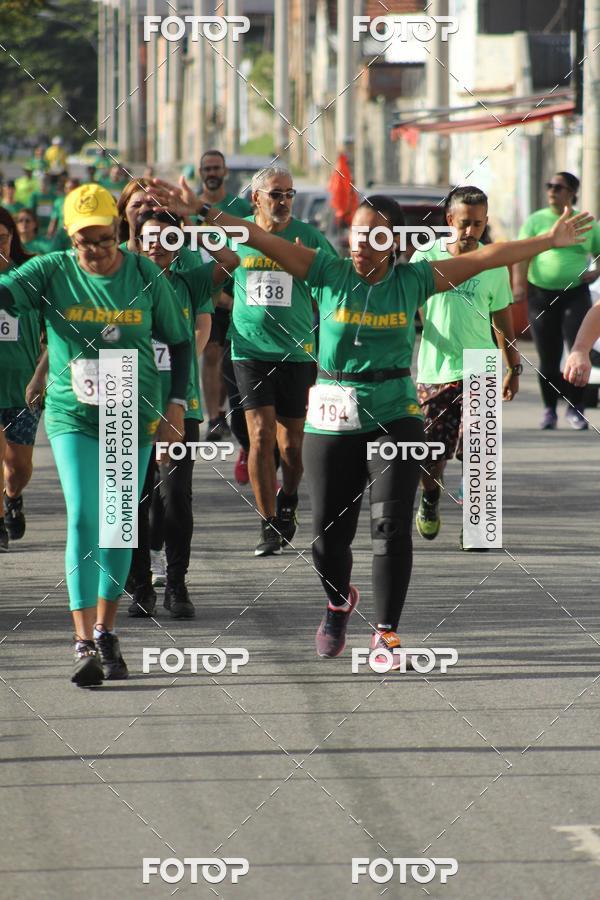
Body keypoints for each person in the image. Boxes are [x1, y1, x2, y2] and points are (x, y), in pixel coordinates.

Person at [156, 182, 591, 660]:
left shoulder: (415, 279)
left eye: (376, 236)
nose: (363, 243)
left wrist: (549, 241)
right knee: (328, 540)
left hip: (394, 413)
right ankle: (338, 602)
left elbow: (492, 256)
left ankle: (386, 632)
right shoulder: (326, 270)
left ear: (394, 243)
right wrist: (202, 210)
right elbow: (255, 236)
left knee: (390, 525)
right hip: (334, 410)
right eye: (357, 234)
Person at [0, 183, 191, 686]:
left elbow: (179, 341)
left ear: (117, 229)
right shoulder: (52, 270)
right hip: (73, 413)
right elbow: (6, 291)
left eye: (105, 238)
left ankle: (107, 629)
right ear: (70, 236)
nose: (97, 250)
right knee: (85, 516)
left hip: (130, 408)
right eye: (85, 241)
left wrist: (176, 404)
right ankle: (83, 639)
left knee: (118, 523)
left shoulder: (144, 275)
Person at [126, 208, 238, 618]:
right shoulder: (124, 281)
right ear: (138, 242)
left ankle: (176, 584)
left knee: (175, 496)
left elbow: (231, 260)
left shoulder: (190, 281)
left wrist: (195, 231)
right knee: (134, 498)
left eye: (167, 238)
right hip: (130, 403)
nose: (157, 244)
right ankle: (140, 584)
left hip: (180, 404)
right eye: (149, 237)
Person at [412, 186, 521, 546]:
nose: (471, 231)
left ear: (485, 222)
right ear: (449, 220)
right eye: (464, 223)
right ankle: (430, 497)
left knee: (480, 451)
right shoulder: (426, 256)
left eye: (478, 224)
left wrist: (513, 367)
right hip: (435, 367)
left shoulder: (493, 263)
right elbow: (409, 306)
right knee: (431, 454)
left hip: (481, 365)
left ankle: (477, 528)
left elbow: (501, 321)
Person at [513, 172, 600, 430]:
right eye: (549, 185)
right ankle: (549, 408)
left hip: (575, 294)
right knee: (548, 356)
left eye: (558, 187)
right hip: (541, 295)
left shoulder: (584, 222)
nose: (552, 190)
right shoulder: (536, 220)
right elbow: (521, 254)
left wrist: (596, 271)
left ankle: (576, 407)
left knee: (577, 350)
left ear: (572, 193)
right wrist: (518, 285)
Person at [197, 150, 253, 443]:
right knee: (211, 353)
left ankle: (234, 412)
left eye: (216, 168)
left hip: (239, 292)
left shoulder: (240, 208)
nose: (212, 173)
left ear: (225, 171)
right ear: (200, 173)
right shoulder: (192, 210)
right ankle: (214, 418)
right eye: (207, 168)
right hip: (206, 291)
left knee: (231, 356)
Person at [0, 208, 43, 551]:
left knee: (19, 467)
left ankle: (12, 496)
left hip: (22, 388)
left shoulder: (30, 275)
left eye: (1, 239)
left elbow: (53, 329)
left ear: (12, 238)